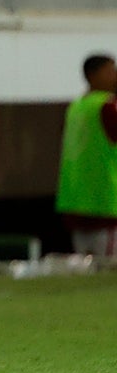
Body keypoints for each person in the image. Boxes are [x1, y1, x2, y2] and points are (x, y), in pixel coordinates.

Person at [56, 54, 117, 258]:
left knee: (84, 266)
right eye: (110, 71)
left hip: (75, 200)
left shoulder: (76, 107)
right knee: (107, 267)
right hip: (104, 201)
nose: (114, 76)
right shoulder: (107, 106)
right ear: (92, 75)